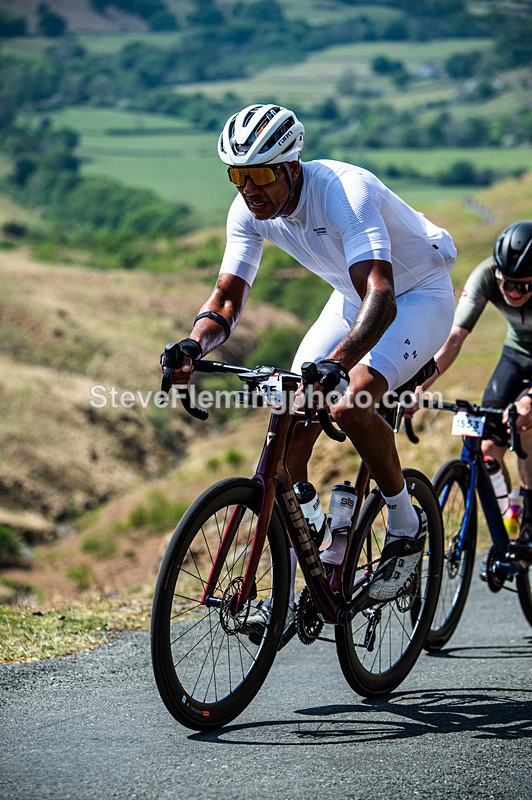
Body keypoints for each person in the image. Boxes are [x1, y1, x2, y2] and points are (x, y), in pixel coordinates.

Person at [164, 102, 456, 620]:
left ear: (290, 166)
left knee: (346, 403)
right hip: (350, 300)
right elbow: (226, 302)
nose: (247, 189)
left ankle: (406, 526)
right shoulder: (246, 212)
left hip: (415, 297)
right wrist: (193, 345)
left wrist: (340, 365)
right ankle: (321, 531)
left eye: (258, 174)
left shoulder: (347, 191)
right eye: (237, 175)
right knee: (292, 410)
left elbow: (382, 297)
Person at [409, 221, 532, 550]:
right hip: (516, 352)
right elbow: (454, 338)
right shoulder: (487, 274)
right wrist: (422, 383)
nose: (514, 293)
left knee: (525, 424)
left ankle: (529, 510)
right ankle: (511, 509)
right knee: (488, 448)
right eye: (508, 284)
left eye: (523, 286)